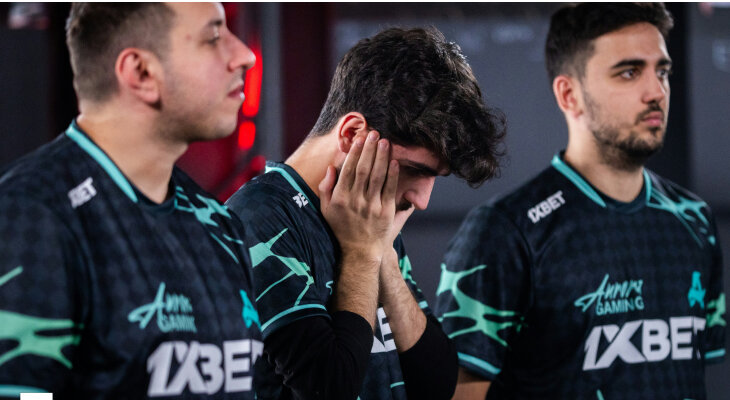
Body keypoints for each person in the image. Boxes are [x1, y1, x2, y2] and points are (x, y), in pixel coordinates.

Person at [434, 3, 726, 399]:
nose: (657, 92)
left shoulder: (695, 220)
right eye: (629, 72)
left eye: (662, 72)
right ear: (569, 94)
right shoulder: (505, 231)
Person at [226, 27, 506, 400]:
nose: (422, 200)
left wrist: (382, 253)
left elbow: (437, 385)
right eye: (416, 170)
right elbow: (330, 388)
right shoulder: (259, 218)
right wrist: (361, 254)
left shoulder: (369, 215)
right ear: (353, 134)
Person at [0, 3, 263, 399]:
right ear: (141, 73)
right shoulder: (33, 215)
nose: (244, 55)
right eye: (213, 38)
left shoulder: (217, 222)